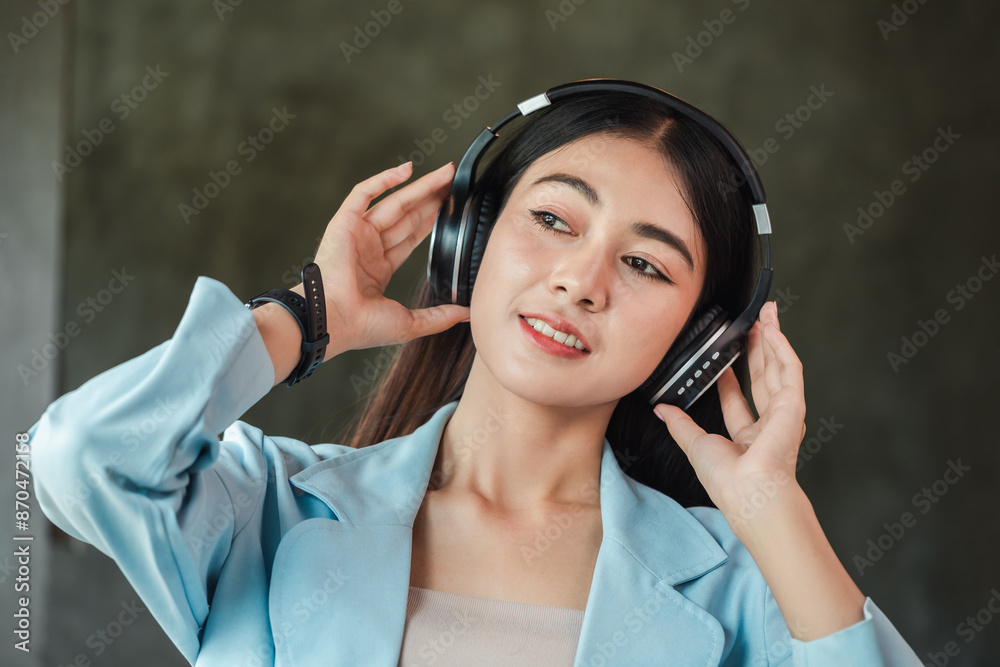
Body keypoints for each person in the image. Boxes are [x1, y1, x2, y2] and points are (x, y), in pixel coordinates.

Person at [27, 80, 924, 666]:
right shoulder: (273, 504)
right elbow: (80, 460)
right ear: (469, 245)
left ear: (697, 341)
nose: (581, 279)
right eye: (556, 220)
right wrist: (300, 319)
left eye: (647, 265)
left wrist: (776, 512)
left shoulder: (737, 583)